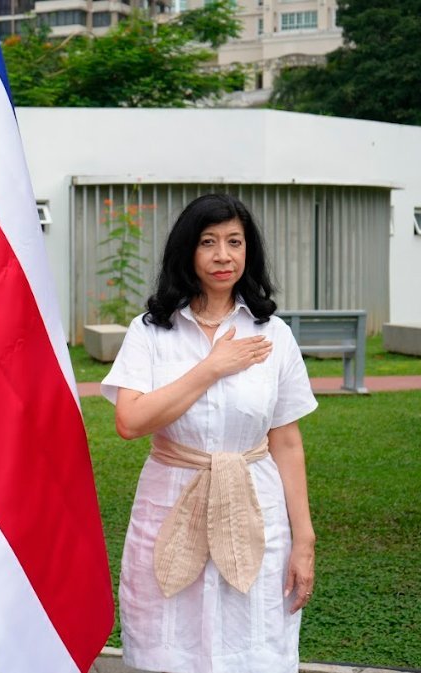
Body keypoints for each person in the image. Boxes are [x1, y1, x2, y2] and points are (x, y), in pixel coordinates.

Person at [99, 193, 317, 673]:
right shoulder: (152, 331)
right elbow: (130, 422)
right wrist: (212, 368)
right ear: (187, 252)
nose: (223, 255)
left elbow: (286, 440)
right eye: (209, 242)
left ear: (248, 252)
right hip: (173, 498)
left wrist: (304, 537)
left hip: (254, 501)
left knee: (251, 641)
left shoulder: (273, 334)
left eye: (234, 242)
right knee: (174, 642)